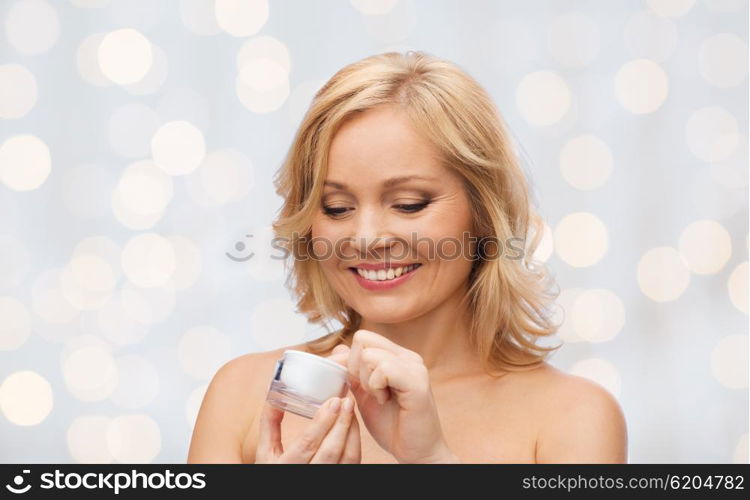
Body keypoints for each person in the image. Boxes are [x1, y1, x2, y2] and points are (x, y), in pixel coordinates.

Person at [187, 51, 628, 464]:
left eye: (409, 203)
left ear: (483, 212)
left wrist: (433, 462)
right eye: (337, 208)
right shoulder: (246, 394)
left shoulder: (573, 417)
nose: (366, 239)